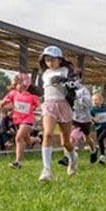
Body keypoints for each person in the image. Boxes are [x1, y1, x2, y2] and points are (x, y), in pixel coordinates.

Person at [38, 46, 79, 180]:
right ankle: (46, 169)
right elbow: (41, 90)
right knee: (48, 134)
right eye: (47, 60)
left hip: (64, 105)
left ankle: (73, 157)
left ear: (60, 60)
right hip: (49, 105)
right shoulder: (44, 74)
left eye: (53, 59)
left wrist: (64, 81)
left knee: (65, 142)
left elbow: (75, 85)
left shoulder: (66, 71)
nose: (50, 62)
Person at [2, 72, 40, 169]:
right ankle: (38, 139)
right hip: (17, 121)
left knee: (18, 138)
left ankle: (17, 162)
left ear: (25, 85)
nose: (16, 86)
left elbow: (38, 106)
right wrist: (5, 105)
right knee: (27, 140)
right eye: (15, 84)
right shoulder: (13, 94)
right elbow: (5, 103)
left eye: (18, 83)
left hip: (28, 120)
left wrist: (38, 109)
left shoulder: (31, 97)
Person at [59, 80, 98, 168]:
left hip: (84, 119)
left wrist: (76, 99)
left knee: (87, 139)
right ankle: (67, 157)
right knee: (71, 137)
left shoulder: (84, 90)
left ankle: (94, 149)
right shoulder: (65, 89)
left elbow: (88, 104)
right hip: (72, 118)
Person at [89, 93, 106, 165]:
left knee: (100, 139)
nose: (94, 102)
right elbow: (88, 115)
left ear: (101, 101)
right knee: (100, 142)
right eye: (93, 100)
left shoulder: (105, 107)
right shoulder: (92, 109)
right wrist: (94, 119)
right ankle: (102, 157)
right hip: (98, 128)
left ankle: (102, 156)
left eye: (96, 100)